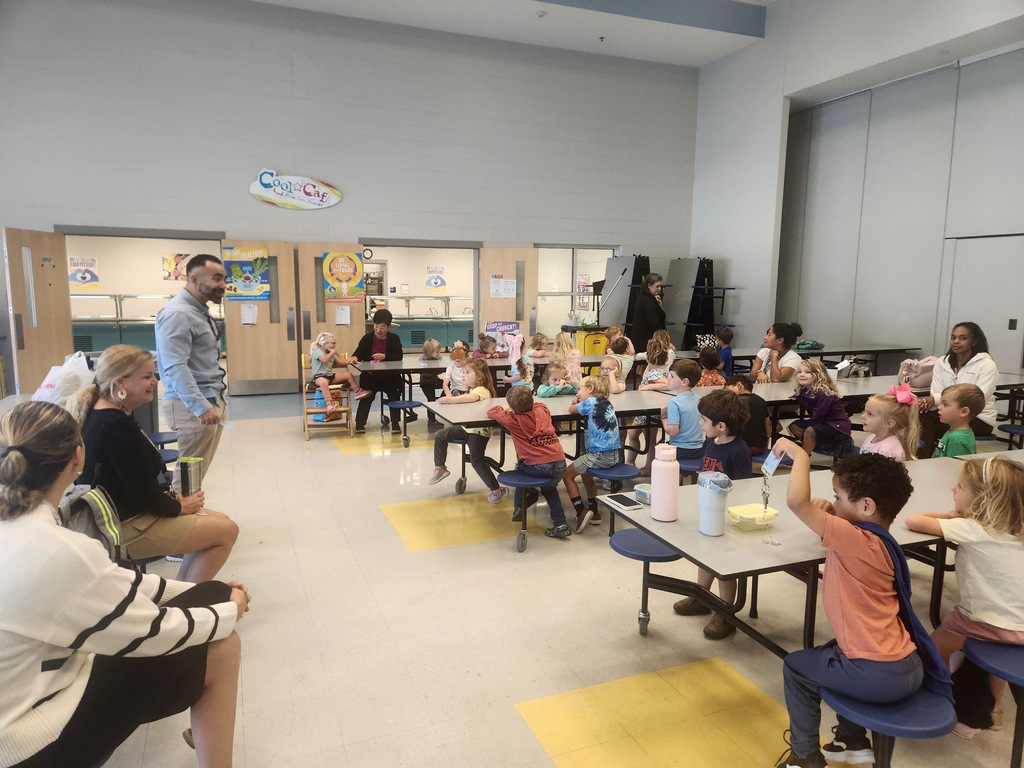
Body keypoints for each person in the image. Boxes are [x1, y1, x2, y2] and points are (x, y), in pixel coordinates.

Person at [0, 401, 250, 767]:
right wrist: (229, 611)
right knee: (220, 639)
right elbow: (148, 633)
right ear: (77, 456)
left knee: (211, 597)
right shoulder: (60, 549)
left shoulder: (24, 528)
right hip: (26, 744)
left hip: (25, 701)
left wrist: (209, 596)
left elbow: (118, 583)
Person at [771, 441, 951, 768]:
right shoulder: (879, 541)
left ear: (866, 506)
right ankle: (852, 740)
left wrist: (801, 455)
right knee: (835, 650)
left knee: (796, 667)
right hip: (907, 665)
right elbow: (835, 533)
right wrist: (831, 513)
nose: (834, 504)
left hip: (877, 675)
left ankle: (804, 757)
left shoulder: (855, 540)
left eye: (838, 497)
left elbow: (797, 502)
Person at [66, 345, 239, 583]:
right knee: (226, 531)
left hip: (119, 516)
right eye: (147, 376)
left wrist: (178, 504)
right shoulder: (116, 426)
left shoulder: (108, 412)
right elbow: (144, 496)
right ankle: (187, 601)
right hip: (122, 527)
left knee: (222, 522)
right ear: (121, 384)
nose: (155, 381)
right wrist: (181, 507)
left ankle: (181, 591)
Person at [906, 456, 1024, 739]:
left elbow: (914, 519)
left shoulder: (975, 529)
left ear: (982, 499)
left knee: (932, 647)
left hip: (983, 622)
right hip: (1021, 625)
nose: (952, 490)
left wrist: (947, 516)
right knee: (996, 660)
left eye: (959, 486)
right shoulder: (1017, 530)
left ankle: (940, 698)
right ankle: (994, 710)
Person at [674, 389, 752, 640]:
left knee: (723, 564)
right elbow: (702, 474)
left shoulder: (738, 452)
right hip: (707, 512)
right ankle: (702, 596)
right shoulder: (710, 442)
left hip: (727, 517)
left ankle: (726, 611)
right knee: (704, 556)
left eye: (704, 420)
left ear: (720, 425)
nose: (700, 423)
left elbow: (742, 490)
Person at [155, 253, 228, 494]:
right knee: (187, 476)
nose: (222, 285)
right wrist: (200, 407)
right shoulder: (178, 313)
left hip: (209, 399)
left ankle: (188, 516)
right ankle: (179, 522)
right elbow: (175, 366)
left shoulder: (198, 310)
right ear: (194, 279)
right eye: (216, 278)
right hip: (192, 406)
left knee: (196, 473)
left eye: (224, 278)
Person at [487, 387, 569, 539]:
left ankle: (519, 506)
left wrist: (506, 409)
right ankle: (561, 524)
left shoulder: (512, 419)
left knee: (520, 468)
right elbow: (538, 405)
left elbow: (492, 412)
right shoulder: (543, 410)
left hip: (536, 466)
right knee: (549, 489)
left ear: (512, 408)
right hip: (559, 463)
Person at [429, 359, 506, 503]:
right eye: (463, 372)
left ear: (480, 376)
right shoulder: (471, 388)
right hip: (467, 427)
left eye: (467, 372)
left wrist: (451, 400)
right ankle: (440, 467)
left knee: (476, 461)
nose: (463, 375)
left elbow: (472, 398)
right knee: (441, 436)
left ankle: (496, 489)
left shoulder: (482, 390)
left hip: (478, 432)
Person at [917, 323, 998, 458]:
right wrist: (932, 401)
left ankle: (926, 458)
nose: (956, 342)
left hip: (977, 416)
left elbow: (976, 398)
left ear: (974, 341)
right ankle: (925, 457)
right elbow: (936, 391)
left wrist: (936, 399)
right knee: (922, 414)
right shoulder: (942, 362)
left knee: (929, 426)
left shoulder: (986, 365)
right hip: (948, 411)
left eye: (962, 338)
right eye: (953, 337)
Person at [564, 375, 619, 533]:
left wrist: (576, 403)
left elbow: (571, 410)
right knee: (586, 476)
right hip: (613, 455)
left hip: (599, 455)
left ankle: (581, 511)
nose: (577, 394)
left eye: (579, 389)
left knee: (567, 475)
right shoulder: (607, 403)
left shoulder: (590, 402)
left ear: (591, 389)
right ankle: (594, 513)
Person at [337, 309, 406, 435]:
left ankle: (395, 423)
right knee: (366, 396)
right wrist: (355, 357)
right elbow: (359, 353)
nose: (379, 330)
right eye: (376, 326)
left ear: (389, 327)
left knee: (394, 395)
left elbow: (398, 356)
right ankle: (360, 424)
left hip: (389, 376)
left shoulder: (394, 338)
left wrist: (384, 356)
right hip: (370, 376)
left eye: (382, 327)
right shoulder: (367, 338)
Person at [788, 360, 854, 457]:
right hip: (823, 424)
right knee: (794, 426)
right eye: (799, 372)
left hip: (836, 427)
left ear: (819, 375)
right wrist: (797, 397)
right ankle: (811, 443)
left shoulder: (823, 393)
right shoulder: (805, 389)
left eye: (808, 372)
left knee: (810, 430)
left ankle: (803, 457)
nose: (802, 375)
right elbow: (801, 395)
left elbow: (818, 416)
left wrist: (808, 431)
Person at [624, 339, 671, 474]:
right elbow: (646, 375)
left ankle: (649, 467)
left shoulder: (656, 374)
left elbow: (668, 385)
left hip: (650, 412)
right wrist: (649, 364)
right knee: (633, 434)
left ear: (648, 358)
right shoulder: (656, 371)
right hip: (644, 411)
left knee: (650, 441)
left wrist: (650, 386)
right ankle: (630, 462)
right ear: (667, 358)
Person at [310, 331, 371, 411]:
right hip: (319, 377)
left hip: (330, 376)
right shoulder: (318, 351)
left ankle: (357, 392)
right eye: (333, 343)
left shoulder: (332, 354)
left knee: (348, 375)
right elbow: (324, 360)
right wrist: (332, 352)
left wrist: (352, 361)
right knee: (323, 382)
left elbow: (341, 362)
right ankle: (329, 403)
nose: (334, 346)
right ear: (324, 343)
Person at [659, 359, 704, 462]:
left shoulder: (674, 403)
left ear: (684, 381)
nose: (668, 379)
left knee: (660, 448)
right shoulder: (700, 399)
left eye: (672, 376)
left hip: (680, 449)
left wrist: (663, 418)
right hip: (699, 449)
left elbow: (673, 432)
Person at [860, 384, 920, 461]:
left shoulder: (889, 451)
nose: (862, 416)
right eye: (865, 412)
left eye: (870, 414)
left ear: (890, 423)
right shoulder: (869, 439)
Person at [932, 383, 985, 459]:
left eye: (945, 404)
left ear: (964, 412)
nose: (939, 407)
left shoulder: (958, 439)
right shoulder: (954, 432)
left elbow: (955, 467)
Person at [725, 375, 769, 456]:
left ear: (739, 385)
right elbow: (767, 424)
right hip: (761, 447)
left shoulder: (734, 402)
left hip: (742, 448)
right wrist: (766, 443)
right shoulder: (761, 400)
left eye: (728, 390)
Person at [629, 272, 666, 353]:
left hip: (645, 339)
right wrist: (663, 339)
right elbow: (653, 322)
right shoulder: (647, 300)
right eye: (657, 286)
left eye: (660, 286)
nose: (659, 289)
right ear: (649, 285)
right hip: (646, 341)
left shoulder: (646, 297)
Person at [419, 338, 444, 430]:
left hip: (435, 380)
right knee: (431, 399)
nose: (439, 354)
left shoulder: (439, 358)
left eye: (439, 352)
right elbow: (423, 373)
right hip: (425, 382)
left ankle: (442, 399)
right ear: (429, 352)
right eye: (437, 352)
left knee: (448, 385)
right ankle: (431, 420)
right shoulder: (422, 360)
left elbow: (441, 369)